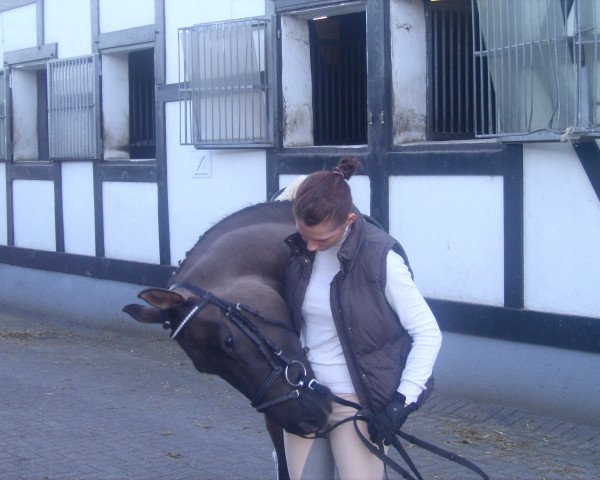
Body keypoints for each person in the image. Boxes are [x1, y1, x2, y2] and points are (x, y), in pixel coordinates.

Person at [282, 157, 442, 480]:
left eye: (321, 239)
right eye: (304, 235)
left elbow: (428, 332)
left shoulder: (380, 257)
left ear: (349, 220)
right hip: (304, 397)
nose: (310, 246)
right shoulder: (300, 251)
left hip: (354, 404)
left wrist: (400, 403)